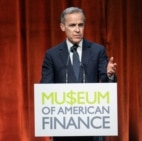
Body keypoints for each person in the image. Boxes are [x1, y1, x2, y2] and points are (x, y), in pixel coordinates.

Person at [40, 7, 117, 141]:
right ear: (62, 27)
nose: (77, 30)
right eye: (72, 25)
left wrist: (109, 74)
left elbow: (107, 85)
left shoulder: (97, 51)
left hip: (92, 126)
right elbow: (46, 88)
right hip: (64, 126)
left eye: (80, 25)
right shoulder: (52, 55)